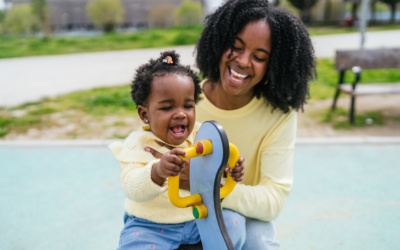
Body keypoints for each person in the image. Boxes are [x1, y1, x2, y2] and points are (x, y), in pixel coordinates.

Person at [194, 0, 316, 249]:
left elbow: (272, 199)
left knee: (259, 242)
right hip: (184, 205)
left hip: (246, 210)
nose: (243, 61)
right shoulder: (184, 100)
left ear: (274, 66)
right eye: (235, 47)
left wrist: (214, 190)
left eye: (259, 57)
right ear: (218, 43)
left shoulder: (278, 115)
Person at [109, 50, 245, 250]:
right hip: (151, 226)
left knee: (235, 224)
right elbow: (131, 187)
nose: (180, 114)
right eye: (167, 108)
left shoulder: (202, 135)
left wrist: (230, 171)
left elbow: (214, 176)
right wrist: (157, 171)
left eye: (188, 106)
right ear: (144, 114)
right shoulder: (137, 143)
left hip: (198, 220)